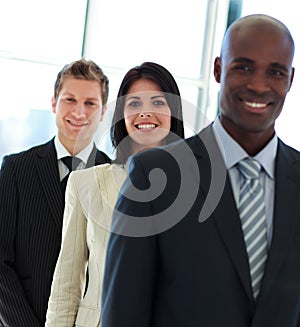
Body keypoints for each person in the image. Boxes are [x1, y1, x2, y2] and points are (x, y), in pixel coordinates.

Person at [100, 14, 300, 327]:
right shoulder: (154, 176)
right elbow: (123, 315)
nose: (259, 85)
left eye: (275, 72)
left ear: (290, 80)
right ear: (219, 69)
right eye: (244, 67)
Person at [45, 62, 185, 326]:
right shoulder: (85, 184)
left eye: (157, 102)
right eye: (134, 104)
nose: (145, 113)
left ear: (173, 113)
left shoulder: (195, 188)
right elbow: (66, 287)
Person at [0, 59, 111, 327]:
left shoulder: (115, 177)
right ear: (54, 103)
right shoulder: (16, 169)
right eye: (70, 99)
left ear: (103, 111)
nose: (79, 112)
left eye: (90, 103)